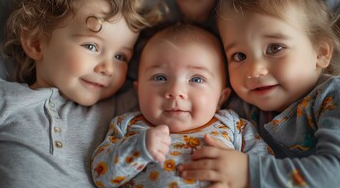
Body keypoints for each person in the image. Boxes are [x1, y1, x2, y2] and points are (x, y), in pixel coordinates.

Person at [175, 0, 340, 187]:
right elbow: (202, 68)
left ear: (320, 52)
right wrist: (197, 21)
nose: (254, 70)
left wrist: (246, 172)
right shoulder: (244, 105)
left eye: (275, 48)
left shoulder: (337, 97)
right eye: (239, 56)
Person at [0, 0, 162, 187]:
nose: (107, 68)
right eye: (92, 46)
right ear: (36, 43)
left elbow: (175, 72)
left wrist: (194, 20)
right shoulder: (6, 99)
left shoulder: (120, 107)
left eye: (120, 56)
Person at [91, 22, 271, 187]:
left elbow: (268, 170)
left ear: (220, 98)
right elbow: (101, 178)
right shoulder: (128, 126)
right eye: (160, 77)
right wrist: (139, 149)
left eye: (196, 79)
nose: (176, 91)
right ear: (138, 91)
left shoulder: (233, 126)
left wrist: (241, 173)